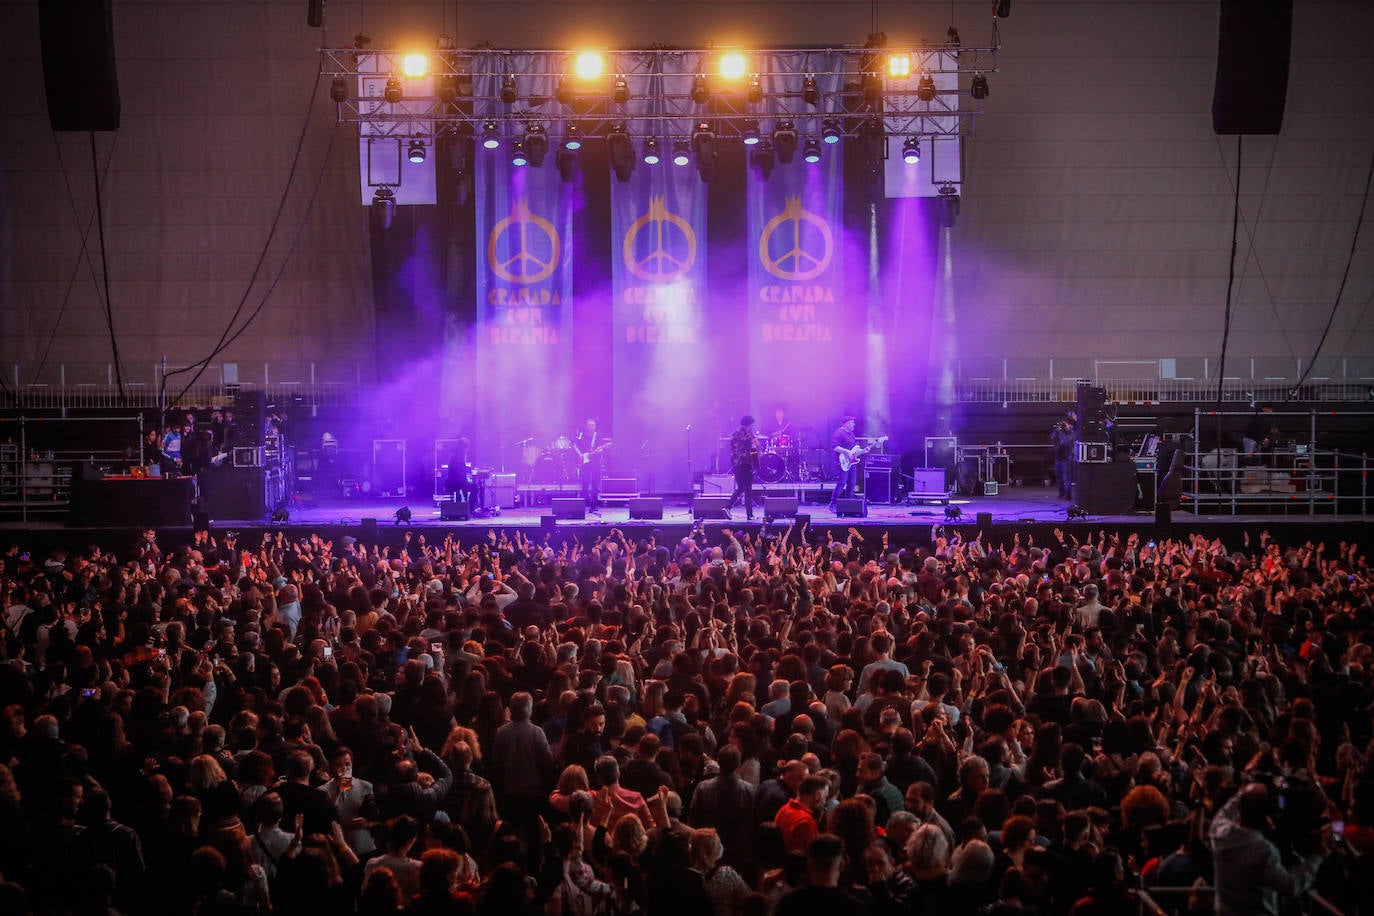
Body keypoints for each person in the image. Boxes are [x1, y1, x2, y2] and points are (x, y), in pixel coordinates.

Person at [1209, 782, 1330, 916]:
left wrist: (1243, 792)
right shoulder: (1263, 851)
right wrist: (1316, 857)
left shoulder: (1220, 833)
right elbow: (1290, 886)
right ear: (1267, 814)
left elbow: (1225, 812)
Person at [727, 416, 760, 521]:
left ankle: (727, 507)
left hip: (736, 464)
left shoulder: (734, 433)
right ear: (749, 424)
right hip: (746, 463)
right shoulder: (748, 433)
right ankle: (750, 515)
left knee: (741, 487)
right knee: (748, 490)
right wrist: (756, 463)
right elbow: (755, 447)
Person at [572, 419, 608, 513]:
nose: (591, 427)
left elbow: (601, 447)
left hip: (595, 462)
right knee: (585, 483)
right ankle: (583, 505)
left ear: (595, 427)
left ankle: (594, 506)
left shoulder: (598, 436)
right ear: (586, 426)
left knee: (595, 484)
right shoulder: (581, 436)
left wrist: (600, 450)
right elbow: (574, 445)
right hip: (585, 461)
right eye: (589, 425)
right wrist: (580, 454)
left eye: (592, 425)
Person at [828, 417, 860, 512]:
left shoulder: (851, 434)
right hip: (842, 462)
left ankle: (848, 504)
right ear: (846, 423)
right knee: (841, 483)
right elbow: (835, 447)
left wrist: (862, 451)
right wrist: (846, 451)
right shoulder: (839, 433)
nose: (853, 424)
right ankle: (832, 504)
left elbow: (853, 449)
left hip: (851, 463)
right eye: (852, 422)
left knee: (852, 483)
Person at [1052, 411, 1077, 500]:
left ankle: (1068, 495)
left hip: (1067, 458)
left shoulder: (1072, 433)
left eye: (1065, 424)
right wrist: (1057, 430)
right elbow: (1052, 437)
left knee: (1067, 478)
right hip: (1058, 457)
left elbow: (1064, 442)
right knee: (1058, 476)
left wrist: (1061, 432)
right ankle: (1061, 493)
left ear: (1069, 425)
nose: (1064, 426)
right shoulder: (1060, 431)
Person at [445, 438, 477, 506]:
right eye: (467, 447)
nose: (468, 450)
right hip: (456, 481)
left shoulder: (455, 454)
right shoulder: (459, 455)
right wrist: (470, 470)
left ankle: (464, 507)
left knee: (470, 487)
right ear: (464, 447)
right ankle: (471, 508)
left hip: (454, 480)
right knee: (475, 487)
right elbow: (460, 469)